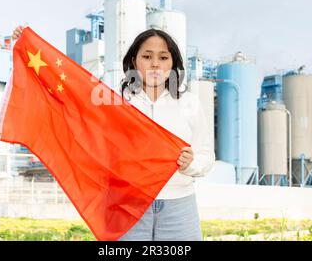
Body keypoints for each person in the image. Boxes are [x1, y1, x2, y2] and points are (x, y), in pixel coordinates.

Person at [12, 26, 215, 241]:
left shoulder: (189, 104)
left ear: (173, 64)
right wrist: (27, 46)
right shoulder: (114, 102)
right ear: (134, 61)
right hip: (127, 207)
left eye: (163, 57)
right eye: (147, 56)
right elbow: (73, 100)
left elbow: (206, 156)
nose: (155, 64)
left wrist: (190, 163)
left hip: (179, 207)